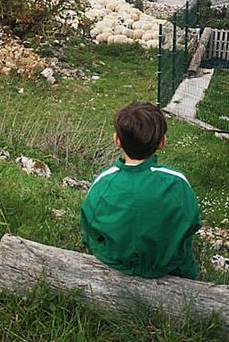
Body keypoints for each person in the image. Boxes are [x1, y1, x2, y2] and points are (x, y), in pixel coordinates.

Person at [80, 102, 202, 279]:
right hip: (170, 268)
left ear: (117, 140)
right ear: (162, 142)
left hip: (114, 262)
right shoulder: (176, 182)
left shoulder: (104, 181)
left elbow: (88, 225)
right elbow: (192, 222)